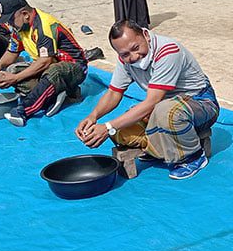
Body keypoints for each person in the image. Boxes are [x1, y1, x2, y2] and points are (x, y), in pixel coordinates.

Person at [75, 20, 218, 180]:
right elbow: (114, 93)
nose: (134, 56)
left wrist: (108, 127)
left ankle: (192, 156)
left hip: (200, 103)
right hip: (161, 106)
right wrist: (93, 116)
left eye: (136, 48)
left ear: (145, 35)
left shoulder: (168, 51)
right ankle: (159, 148)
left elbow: (152, 102)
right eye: (125, 54)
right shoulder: (125, 60)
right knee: (121, 130)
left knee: (166, 113)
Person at [0, 0, 86, 126]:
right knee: (13, 70)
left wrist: (15, 78)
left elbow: (45, 62)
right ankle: (57, 95)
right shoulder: (19, 29)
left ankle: (24, 110)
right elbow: (12, 52)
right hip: (47, 66)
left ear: (25, 14)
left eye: (11, 19)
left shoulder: (44, 26)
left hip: (73, 67)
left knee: (54, 72)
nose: (9, 24)